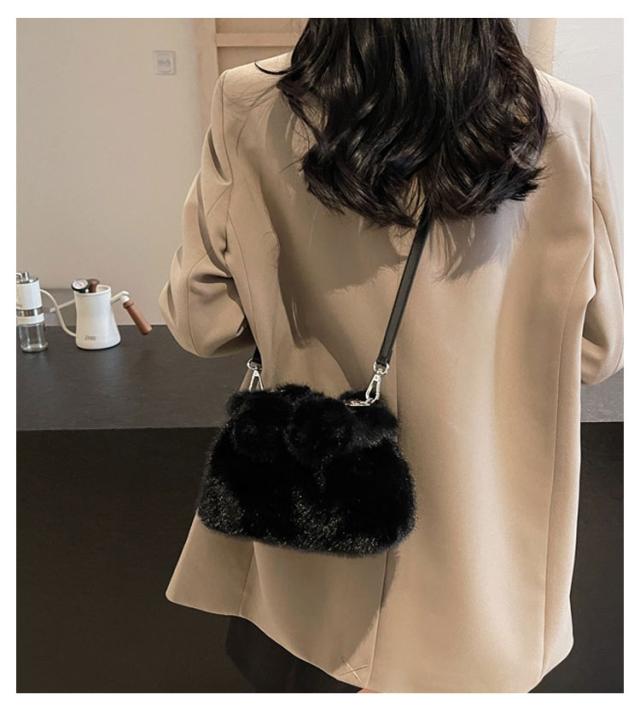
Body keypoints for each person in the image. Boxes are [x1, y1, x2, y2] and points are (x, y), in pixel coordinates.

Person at [158, 19, 623, 693]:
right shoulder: (559, 117)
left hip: (314, 556)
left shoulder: (249, 101)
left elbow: (201, 320)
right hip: (482, 574)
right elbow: (597, 349)